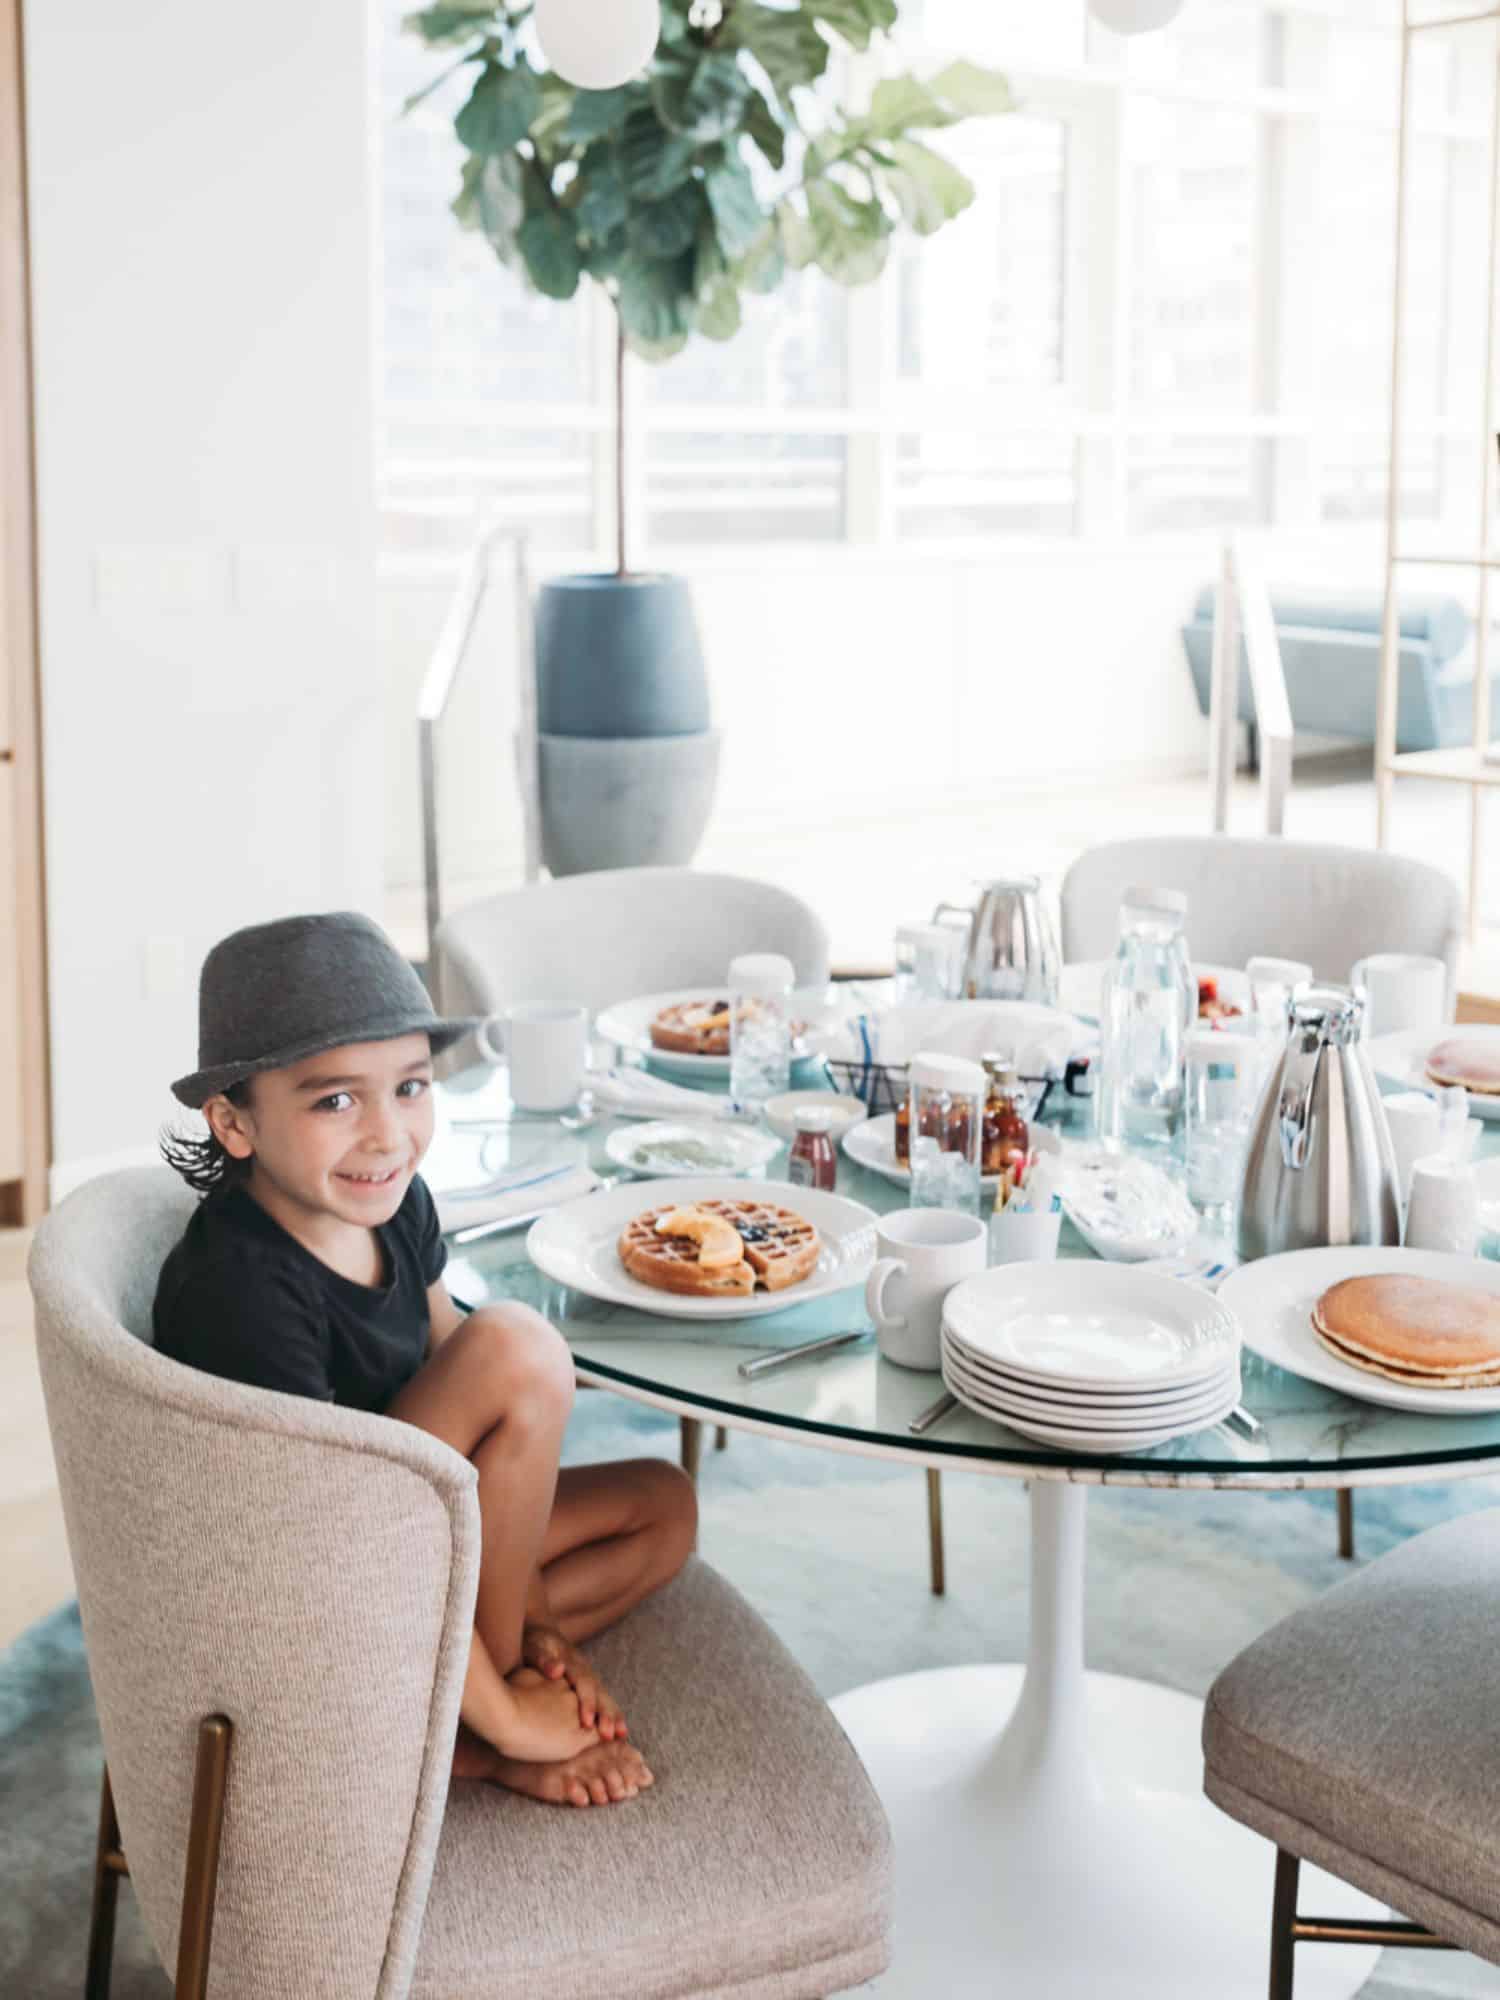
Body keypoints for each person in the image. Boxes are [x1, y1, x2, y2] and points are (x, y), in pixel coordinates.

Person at [153, 911, 697, 1809]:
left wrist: (539, 1623)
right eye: (335, 1100)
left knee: (663, 1507)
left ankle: (491, 1676)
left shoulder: (393, 1202)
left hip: (419, 1527)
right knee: (519, 1345)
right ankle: (476, 1734)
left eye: (409, 1087)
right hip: (320, 1591)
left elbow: (489, 1437)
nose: (386, 1135)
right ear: (234, 1124)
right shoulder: (240, 1291)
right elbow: (334, 1553)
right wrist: (518, 1720)